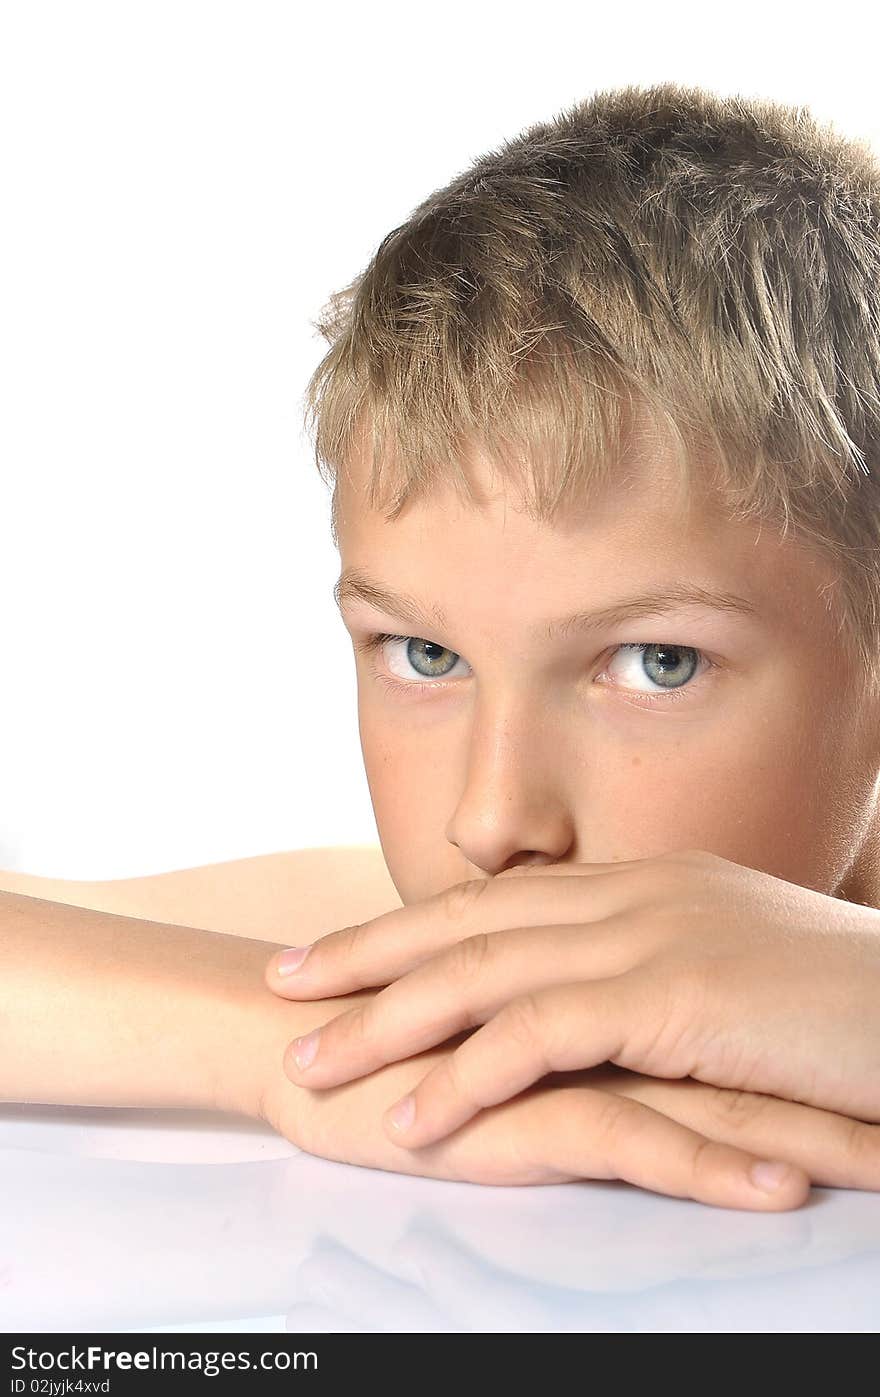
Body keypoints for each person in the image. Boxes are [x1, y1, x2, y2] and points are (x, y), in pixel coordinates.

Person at [4, 79, 880, 1212]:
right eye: (423, 654)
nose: (490, 818)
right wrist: (302, 1052)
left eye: (655, 662)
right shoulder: (433, 956)